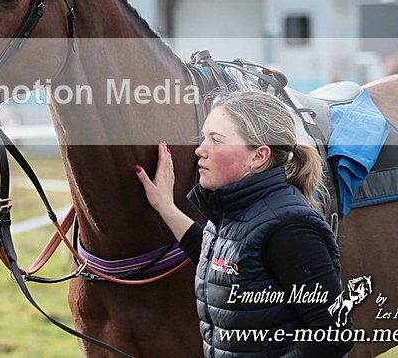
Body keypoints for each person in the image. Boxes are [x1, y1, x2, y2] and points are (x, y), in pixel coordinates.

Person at [136, 90, 353, 357]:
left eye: (216, 140)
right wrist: (166, 208)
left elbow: (332, 334)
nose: (200, 150)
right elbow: (219, 256)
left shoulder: (290, 228)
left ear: (258, 156)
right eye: (203, 137)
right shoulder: (234, 209)